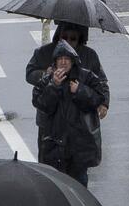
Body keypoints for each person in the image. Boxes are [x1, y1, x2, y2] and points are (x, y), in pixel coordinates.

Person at [30, 37, 105, 185]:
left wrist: (80, 91)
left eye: (67, 59)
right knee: (56, 187)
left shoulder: (85, 77)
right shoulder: (47, 80)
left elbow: (99, 98)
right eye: (60, 59)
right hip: (55, 146)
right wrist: (54, 86)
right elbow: (41, 104)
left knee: (80, 188)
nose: (63, 62)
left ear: (73, 61)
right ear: (55, 62)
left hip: (79, 146)